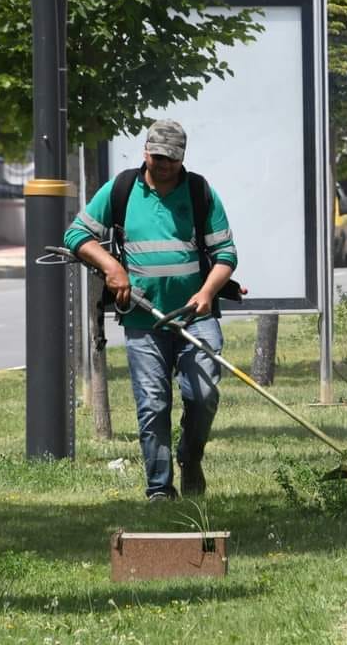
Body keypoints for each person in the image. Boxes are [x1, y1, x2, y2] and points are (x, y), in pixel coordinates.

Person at [64, 119, 238, 501]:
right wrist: (112, 268)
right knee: (153, 404)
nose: (163, 165)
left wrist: (208, 292)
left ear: (182, 159)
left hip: (196, 317)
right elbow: (76, 235)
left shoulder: (199, 192)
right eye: (157, 157)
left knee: (203, 395)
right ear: (145, 152)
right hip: (144, 320)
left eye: (171, 160)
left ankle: (190, 459)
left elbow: (226, 255)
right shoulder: (122, 190)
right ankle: (159, 488)